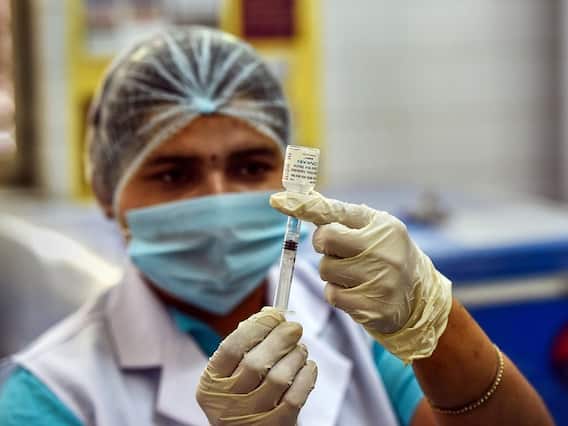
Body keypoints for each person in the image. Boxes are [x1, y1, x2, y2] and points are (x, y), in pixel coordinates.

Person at [0, 27, 553, 426]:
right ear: (106, 193)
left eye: (249, 167)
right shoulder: (50, 396)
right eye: (173, 174)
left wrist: (437, 320)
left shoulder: (356, 323)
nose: (219, 199)